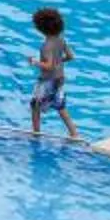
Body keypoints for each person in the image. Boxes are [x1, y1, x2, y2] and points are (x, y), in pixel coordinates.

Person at [28, 7, 77, 139]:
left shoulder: (46, 45)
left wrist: (35, 62)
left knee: (35, 105)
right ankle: (74, 134)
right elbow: (71, 56)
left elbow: (48, 66)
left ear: (40, 28)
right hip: (60, 79)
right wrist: (58, 61)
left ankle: (36, 133)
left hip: (47, 81)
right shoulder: (61, 40)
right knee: (60, 106)